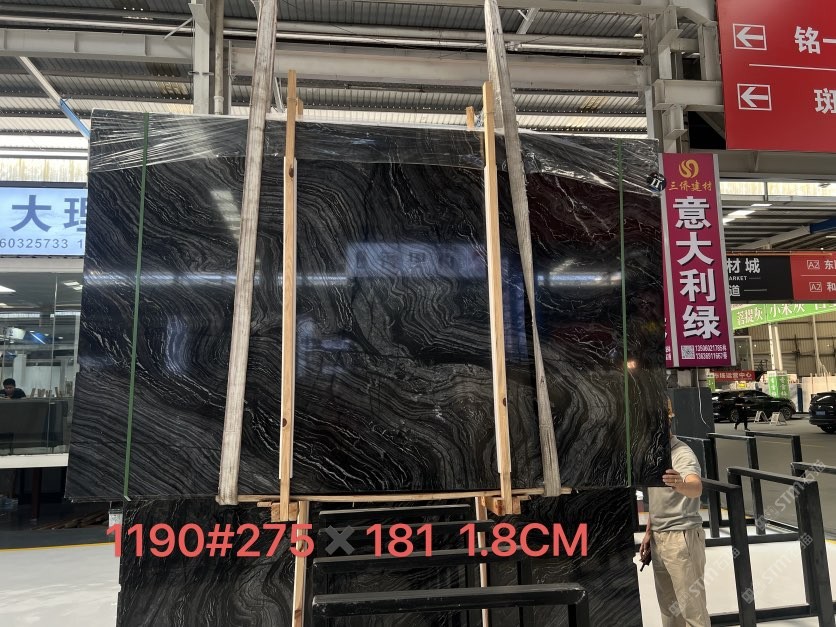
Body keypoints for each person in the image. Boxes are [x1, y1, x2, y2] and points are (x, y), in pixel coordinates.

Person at [640, 399, 709, 627]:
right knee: (669, 609)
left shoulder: (681, 454)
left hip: (681, 538)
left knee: (692, 611)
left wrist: (680, 483)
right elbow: (657, 499)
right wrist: (649, 532)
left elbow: (696, 487)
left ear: (668, 423)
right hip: (660, 537)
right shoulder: (655, 454)